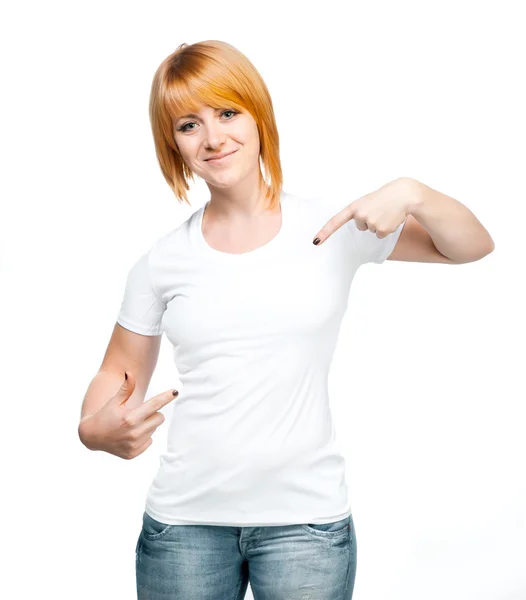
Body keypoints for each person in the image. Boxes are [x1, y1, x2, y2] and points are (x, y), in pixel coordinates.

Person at [77, 40, 412, 600]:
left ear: (259, 115)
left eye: (228, 112)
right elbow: (118, 372)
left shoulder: (333, 228)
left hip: (305, 525)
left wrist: (412, 192)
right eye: (188, 124)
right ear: (174, 145)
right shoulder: (161, 261)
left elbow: (468, 246)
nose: (213, 138)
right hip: (184, 529)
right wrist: (92, 427)